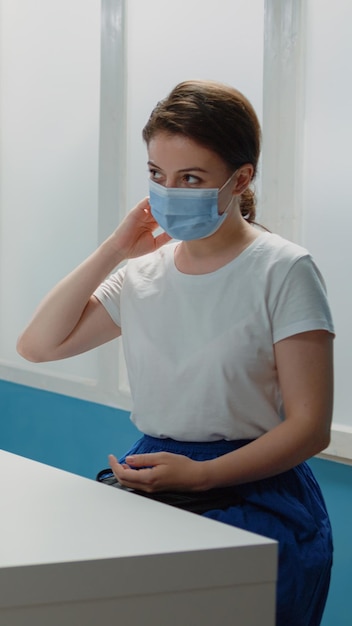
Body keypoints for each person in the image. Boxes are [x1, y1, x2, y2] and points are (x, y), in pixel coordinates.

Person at [17, 80, 334, 626]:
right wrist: (115, 248)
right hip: (156, 479)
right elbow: (38, 345)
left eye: (190, 178)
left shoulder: (284, 270)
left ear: (242, 178)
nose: (169, 191)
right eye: (156, 176)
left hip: (257, 491)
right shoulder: (142, 275)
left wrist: (204, 476)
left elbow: (310, 427)